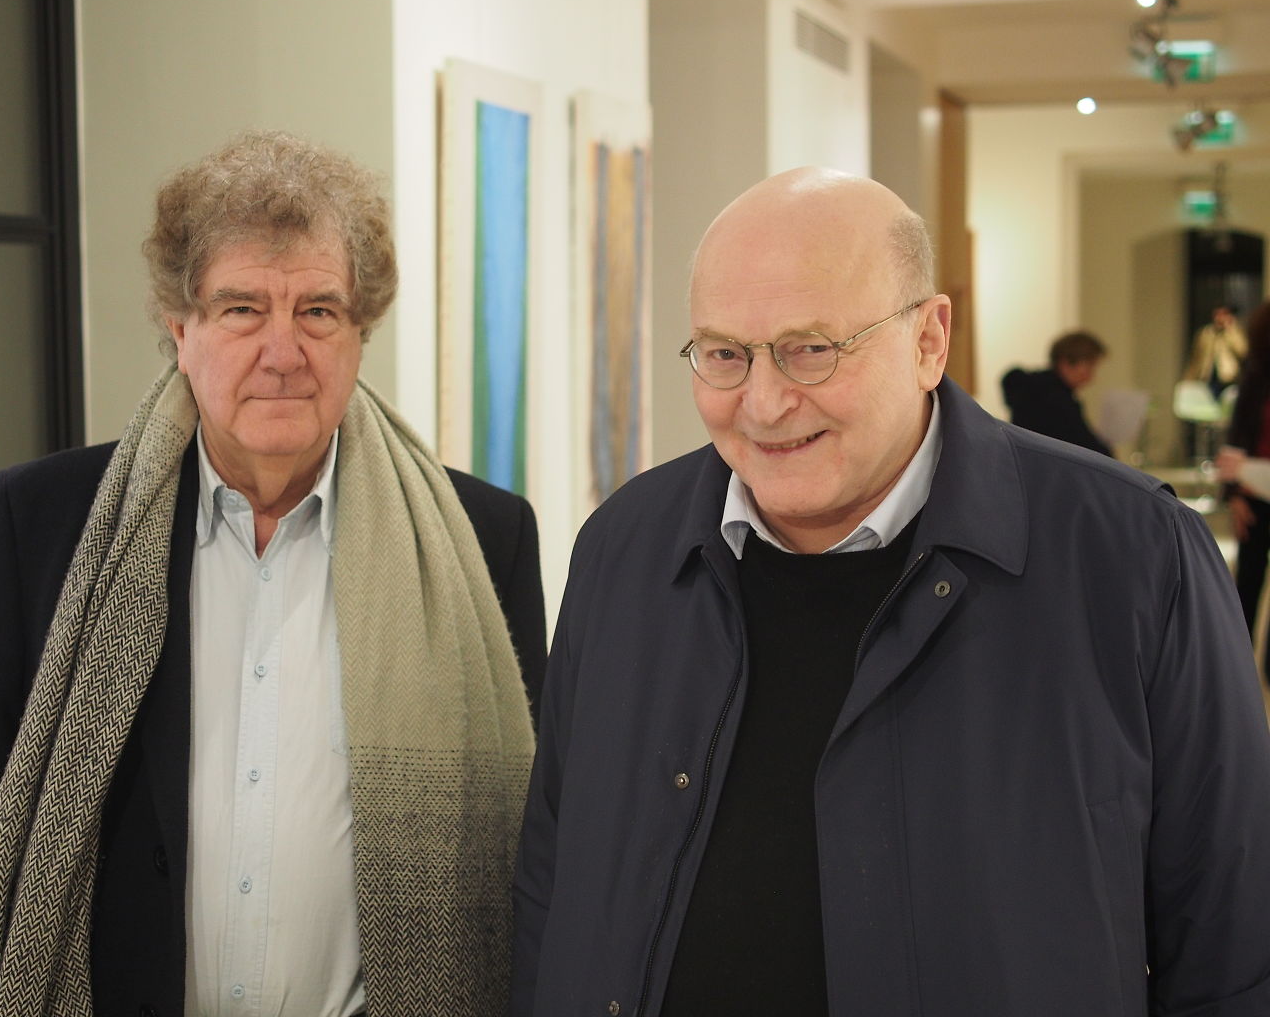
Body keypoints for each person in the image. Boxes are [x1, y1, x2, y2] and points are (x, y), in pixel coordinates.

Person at [511, 167, 1270, 1017]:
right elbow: (553, 884)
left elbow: (1233, 943)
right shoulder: (623, 548)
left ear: (929, 341)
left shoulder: (1134, 555)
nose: (764, 403)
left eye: (811, 349)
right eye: (725, 354)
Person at [0, 131, 545, 1017]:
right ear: (182, 330)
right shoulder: (41, 525)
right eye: (242, 309)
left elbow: (534, 848)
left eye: (318, 311)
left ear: (360, 335)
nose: (283, 352)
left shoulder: (483, 540)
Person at [1219, 299, 1270, 659]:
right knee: (1249, 580)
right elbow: (1236, 437)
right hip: (1253, 489)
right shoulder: (1255, 376)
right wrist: (1234, 494)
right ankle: (1236, 662)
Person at [999, 330, 1112, 455]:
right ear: (1066, 363)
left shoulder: (1031, 388)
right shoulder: (1058, 400)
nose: (1091, 376)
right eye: (1089, 367)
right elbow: (1086, 446)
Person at [1187, 303, 1248, 400]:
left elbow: (1243, 352)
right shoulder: (1206, 333)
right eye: (1217, 314)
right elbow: (1196, 359)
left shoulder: (1236, 332)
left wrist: (1230, 331)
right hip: (1208, 378)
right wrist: (1189, 379)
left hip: (1229, 379)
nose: (1220, 318)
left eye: (1223, 314)